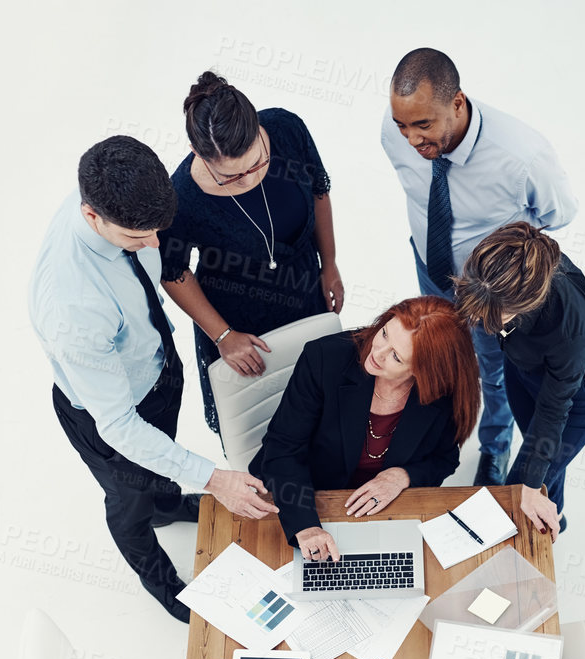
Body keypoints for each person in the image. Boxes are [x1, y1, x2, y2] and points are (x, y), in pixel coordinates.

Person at [28, 135, 279, 621]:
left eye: (157, 230)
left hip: (155, 370)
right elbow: (119, 426)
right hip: (110, 415)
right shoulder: (72, 308)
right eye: (136, 238)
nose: (156, 246)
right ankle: (168, 592)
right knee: (130, 501)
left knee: (160, 468)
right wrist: (214, 480)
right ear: (91, 217)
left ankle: (169, 504)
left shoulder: (116, 187)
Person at [381, 47, 577, 489]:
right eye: (402, 126)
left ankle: (493, 446)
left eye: (423, 126)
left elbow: (558, 214)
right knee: (431, 352)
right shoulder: (393, 133)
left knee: (494, 370)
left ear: (457, 103)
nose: (411, 140)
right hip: (429, 266)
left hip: (489, 292)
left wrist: (497, 258)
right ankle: (431, 437)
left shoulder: (522, 155)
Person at [158, 71, 343, 442]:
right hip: (236, 317)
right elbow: (173, 271)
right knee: (256, 427)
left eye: (256, 163)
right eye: (231, 177)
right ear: (198, 154)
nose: (247, 180)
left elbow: (319, 191)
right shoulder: (181, 195)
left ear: (259, 126)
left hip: (305, 286)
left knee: (321, 409)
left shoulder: (287, 129)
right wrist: (223, 335)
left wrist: (330, 263)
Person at [249, 296, 479, 561]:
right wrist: (306, 526)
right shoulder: (324, 358)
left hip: (384, 510)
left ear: (424, 371)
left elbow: (444, 459)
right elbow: (282, 449)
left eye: (396, 356)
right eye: (384, 333)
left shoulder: (443, 394)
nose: (377, 352)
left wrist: (403, 477)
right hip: (304, 499)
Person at [452, 222, 585, 540]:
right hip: (522, 371)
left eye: (494, 318)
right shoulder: (508, 264)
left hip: (575, 397)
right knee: (547, 466)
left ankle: (541, 530)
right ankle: (557, 514)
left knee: (518, 491)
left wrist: (527, 485)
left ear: (528, 303)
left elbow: (553, 413)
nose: (483, 324)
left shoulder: (571, 331)